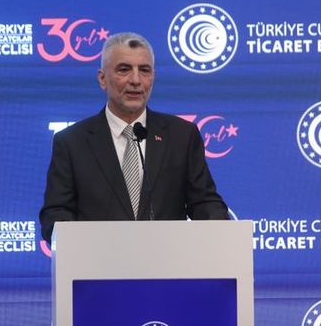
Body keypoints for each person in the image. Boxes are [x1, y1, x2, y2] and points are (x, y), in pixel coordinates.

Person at [39, 32, 229, 242]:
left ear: (153, 77)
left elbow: (204, 203)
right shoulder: (72, 142)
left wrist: (221, 229)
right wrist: (76, 242)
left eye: (144, 70)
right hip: (100, 259)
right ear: (102, 79)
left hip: (168, 258)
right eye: (124, 69)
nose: (136, 80)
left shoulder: (182, 136)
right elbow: (56, 214)